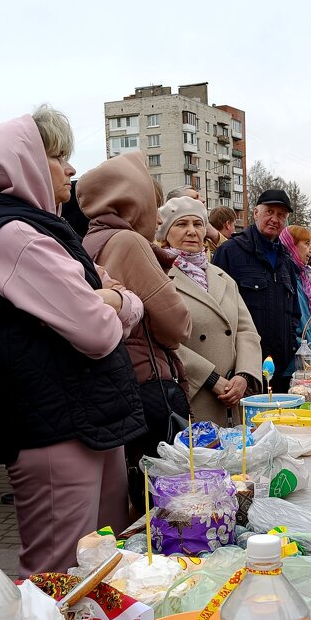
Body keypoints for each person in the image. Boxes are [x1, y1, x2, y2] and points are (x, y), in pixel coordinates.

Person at [0, 107, 145, 575]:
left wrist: (113, 301)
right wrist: (116, 302)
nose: (71, 169)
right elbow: (99, 333)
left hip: (82, 421)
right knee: (61, 577)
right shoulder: (16, 237)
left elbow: (124, 307)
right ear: (26, 166)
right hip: (56, 431)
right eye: (59, 157)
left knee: (102, 567)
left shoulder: (39, 229)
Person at [78, 152, 192, 462]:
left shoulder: (87, 242)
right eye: (153, 206)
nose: (157, 218)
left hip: (113, 385)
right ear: (133, 201)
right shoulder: (130, 242)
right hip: (148, 384)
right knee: (166, 491)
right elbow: (178, 324)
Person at [157, 196, 262, 426]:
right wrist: (211, 378)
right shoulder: (159, 277)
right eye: (181, 224)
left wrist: (243, 376)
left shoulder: (222, 277)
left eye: (198, 224)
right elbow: (163, 341)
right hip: (194, 394)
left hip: (232, 396)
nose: (192, 231)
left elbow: (246, 331)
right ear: (165, 233)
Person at [212, 188, 300, 392]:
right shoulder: (230, 252)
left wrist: (289, 344)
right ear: (256, 213)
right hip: (243, 371)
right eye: (269, 212)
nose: (274, 219)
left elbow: (294, 311)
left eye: (281, 215)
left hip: (280, 371)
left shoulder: (286, 260)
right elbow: (217, 311)